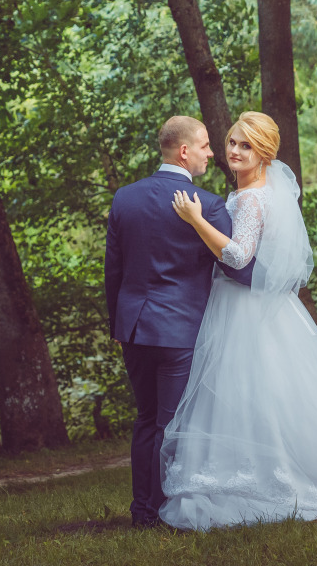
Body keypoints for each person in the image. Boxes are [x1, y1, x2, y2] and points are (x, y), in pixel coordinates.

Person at [158, 111, 317, 530]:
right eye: (232, 143)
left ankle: (270, 480)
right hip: (260, 306)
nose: (234, 151)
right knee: (260, 394)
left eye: (246, 145)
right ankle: (267, 470)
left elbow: (240, 256)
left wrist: (196, 220)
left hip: (244, 308)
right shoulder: (260, 192)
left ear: (264, 153)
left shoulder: (252, 197)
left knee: (249, 391)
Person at [105, 115, 251, 529]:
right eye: (205, 145)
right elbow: (239, 268)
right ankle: (161, 512)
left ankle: (142, 510)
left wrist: (117, 324)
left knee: (146, 419)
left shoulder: (125, 198)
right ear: (184, 151)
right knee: (171, 423)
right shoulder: (207, 205)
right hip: (179, 330)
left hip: (134, 329)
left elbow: (112, 270)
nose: (211, 153)